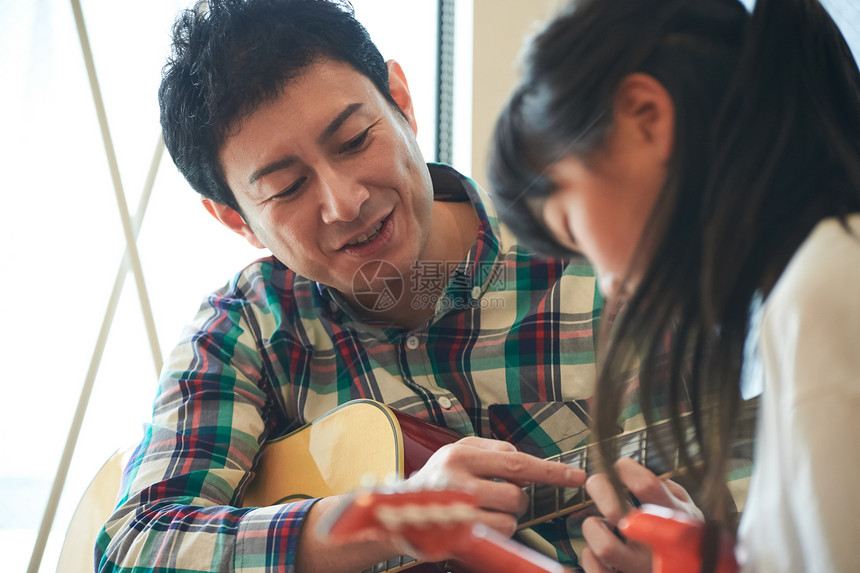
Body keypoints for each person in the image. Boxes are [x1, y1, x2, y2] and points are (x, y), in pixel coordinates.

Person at [95, 0, 612, 571]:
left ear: (402, 101)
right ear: (237, 220)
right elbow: (136, 545)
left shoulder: (596, 256)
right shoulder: (249, 326)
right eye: (289, 187)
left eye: (354, 141)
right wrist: (377, 520)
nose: (346, 203)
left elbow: (722, 500)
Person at [489, 0, 860, 571]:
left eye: (573, 230)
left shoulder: (823, 293)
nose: (609, 286)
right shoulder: (815, 282)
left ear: (646, 116)